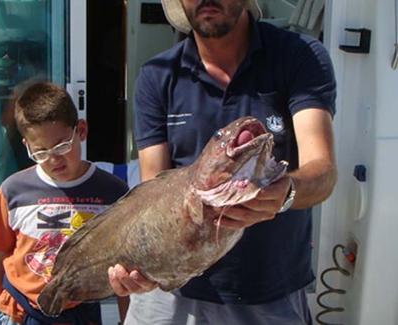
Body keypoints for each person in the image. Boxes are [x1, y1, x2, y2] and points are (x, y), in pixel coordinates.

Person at [108, 0, 337, 324]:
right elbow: (153, 193)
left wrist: (286, 193)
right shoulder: (156, 76)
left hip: (269, 296)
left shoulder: (299, 55)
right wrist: (145, 269)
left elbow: (323, 171)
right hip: (172, 296)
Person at [0, 81, 129, 325]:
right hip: (19, 312)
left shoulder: (113, 193)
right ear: (27, 146)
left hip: (80, 313)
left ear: (81, 130)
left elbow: (123, 266)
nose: (53, 159)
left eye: (62, 145)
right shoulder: (13, 191)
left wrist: (127, 320)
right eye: (40, 152)